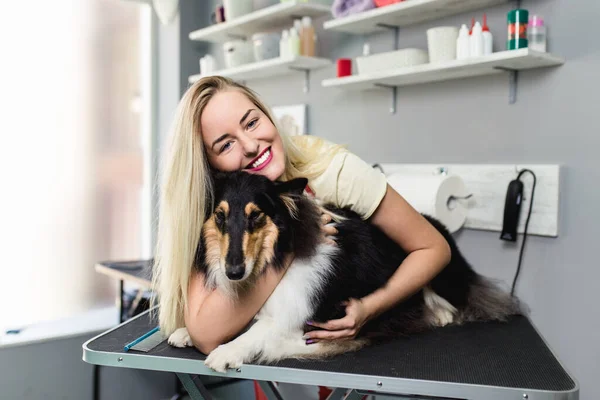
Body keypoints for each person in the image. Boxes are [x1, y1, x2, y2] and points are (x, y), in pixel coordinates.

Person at [152, 76, 451, 354]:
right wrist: (293, 240)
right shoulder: (216, 208)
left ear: (268, 116)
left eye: (252, 123)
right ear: (212, 166)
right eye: (226, 144)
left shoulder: (337, 172)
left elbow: (433, 248)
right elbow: (206, 332)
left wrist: (369, 308)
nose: (251, 145)